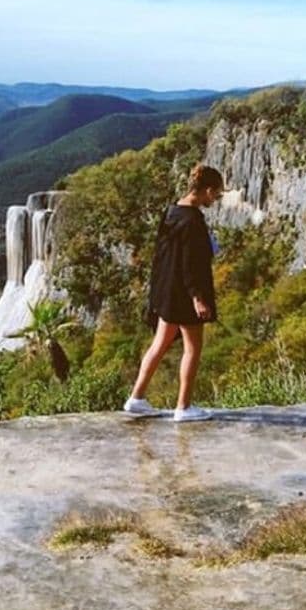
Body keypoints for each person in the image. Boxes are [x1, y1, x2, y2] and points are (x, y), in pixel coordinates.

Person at [123, 164, 224, 422]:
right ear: (207, 190)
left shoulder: (172, 212)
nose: (216, 199)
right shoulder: (194, 220)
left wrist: (156, 294)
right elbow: (192, 264)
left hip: (167, 290)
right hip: (184, 295)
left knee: (159, 344)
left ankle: (136, 398)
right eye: (217, 194)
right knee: (193, 348)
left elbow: (164, 256)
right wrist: (198, 298)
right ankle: (184, 407)